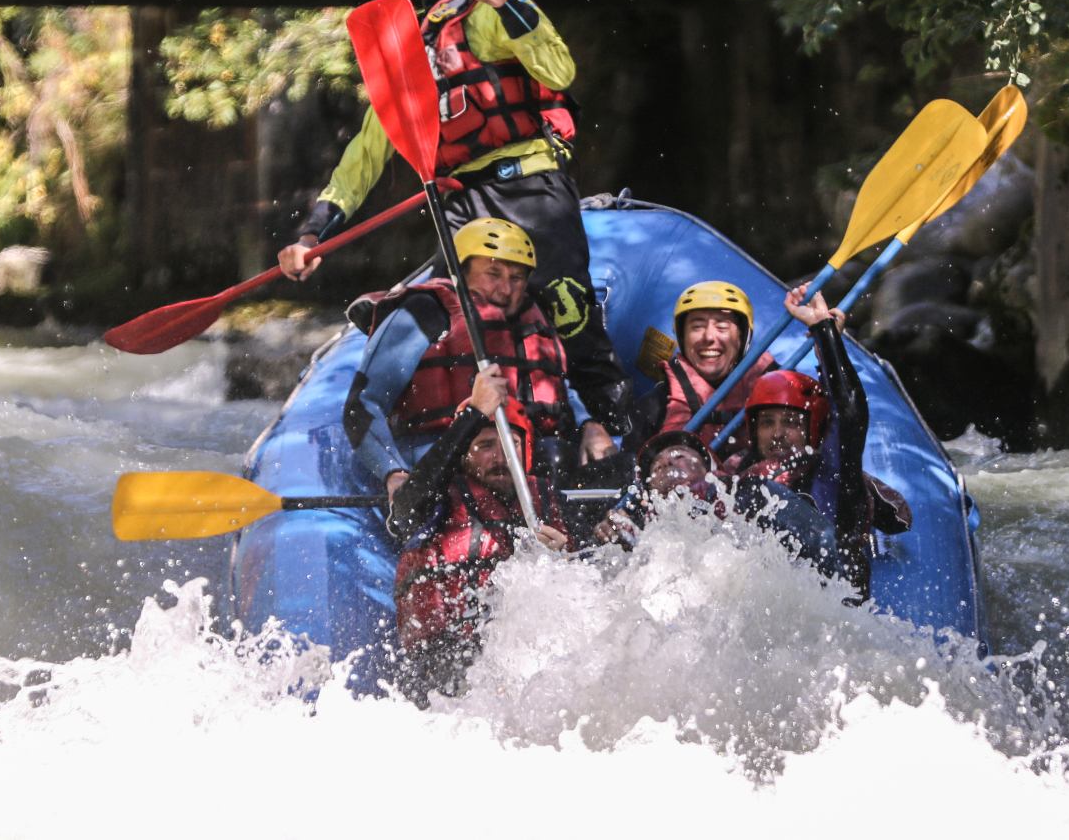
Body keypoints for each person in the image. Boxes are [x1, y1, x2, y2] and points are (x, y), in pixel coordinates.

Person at [277, 0, 632, 432]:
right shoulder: (406, 48)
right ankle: (465, 449)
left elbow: (560, 71)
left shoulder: (491, 10)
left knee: (570, 317)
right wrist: (314, 234)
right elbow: (366, 152)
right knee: (452, 325)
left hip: (531, 193)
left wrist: (505, 1)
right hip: (462, 206)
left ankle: (612, 438)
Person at [344, 218, 615, 500]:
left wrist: (589, 425)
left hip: (515, 461)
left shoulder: (532, 320)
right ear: (460, 272)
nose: (505, 290)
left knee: (564, 458)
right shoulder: (425, 312)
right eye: (493, 274)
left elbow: (555, 387)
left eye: (516, 278)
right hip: (439, 461)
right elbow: (362, 404)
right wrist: (395, 473)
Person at [386, 365, 577, 703]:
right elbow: (406, 509)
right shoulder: (439, 498)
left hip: (528, 662)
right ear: (463, 454)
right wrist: (474, 414)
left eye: (511, 444)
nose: (501, 457)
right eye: (486, 445)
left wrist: (564, 560)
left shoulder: (545, 500)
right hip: (445, 662)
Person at [719, 284, 912, 602]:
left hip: (831, 605)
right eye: (767, 422)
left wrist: (825, 333)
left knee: (758, 492)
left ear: (815, 429)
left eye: (792, 423)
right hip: (759, 603)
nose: (778, 433)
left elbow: (849, 415)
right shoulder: (738, 469)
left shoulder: (834, 472)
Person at [593, 431, 843, 582]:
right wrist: (619, 550)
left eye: (679, 456)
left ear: (710, 468)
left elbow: (821, 541)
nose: (666, 462)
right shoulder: (645, 528)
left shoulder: (748, 493)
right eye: (656, 466)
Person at [622, 281, 776, 462]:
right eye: (697, 326)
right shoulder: (652, 408)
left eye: (722, 327)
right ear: (682, 337)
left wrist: (818, 327)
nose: (709, 337)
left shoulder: (776, 389)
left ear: (742, 337)